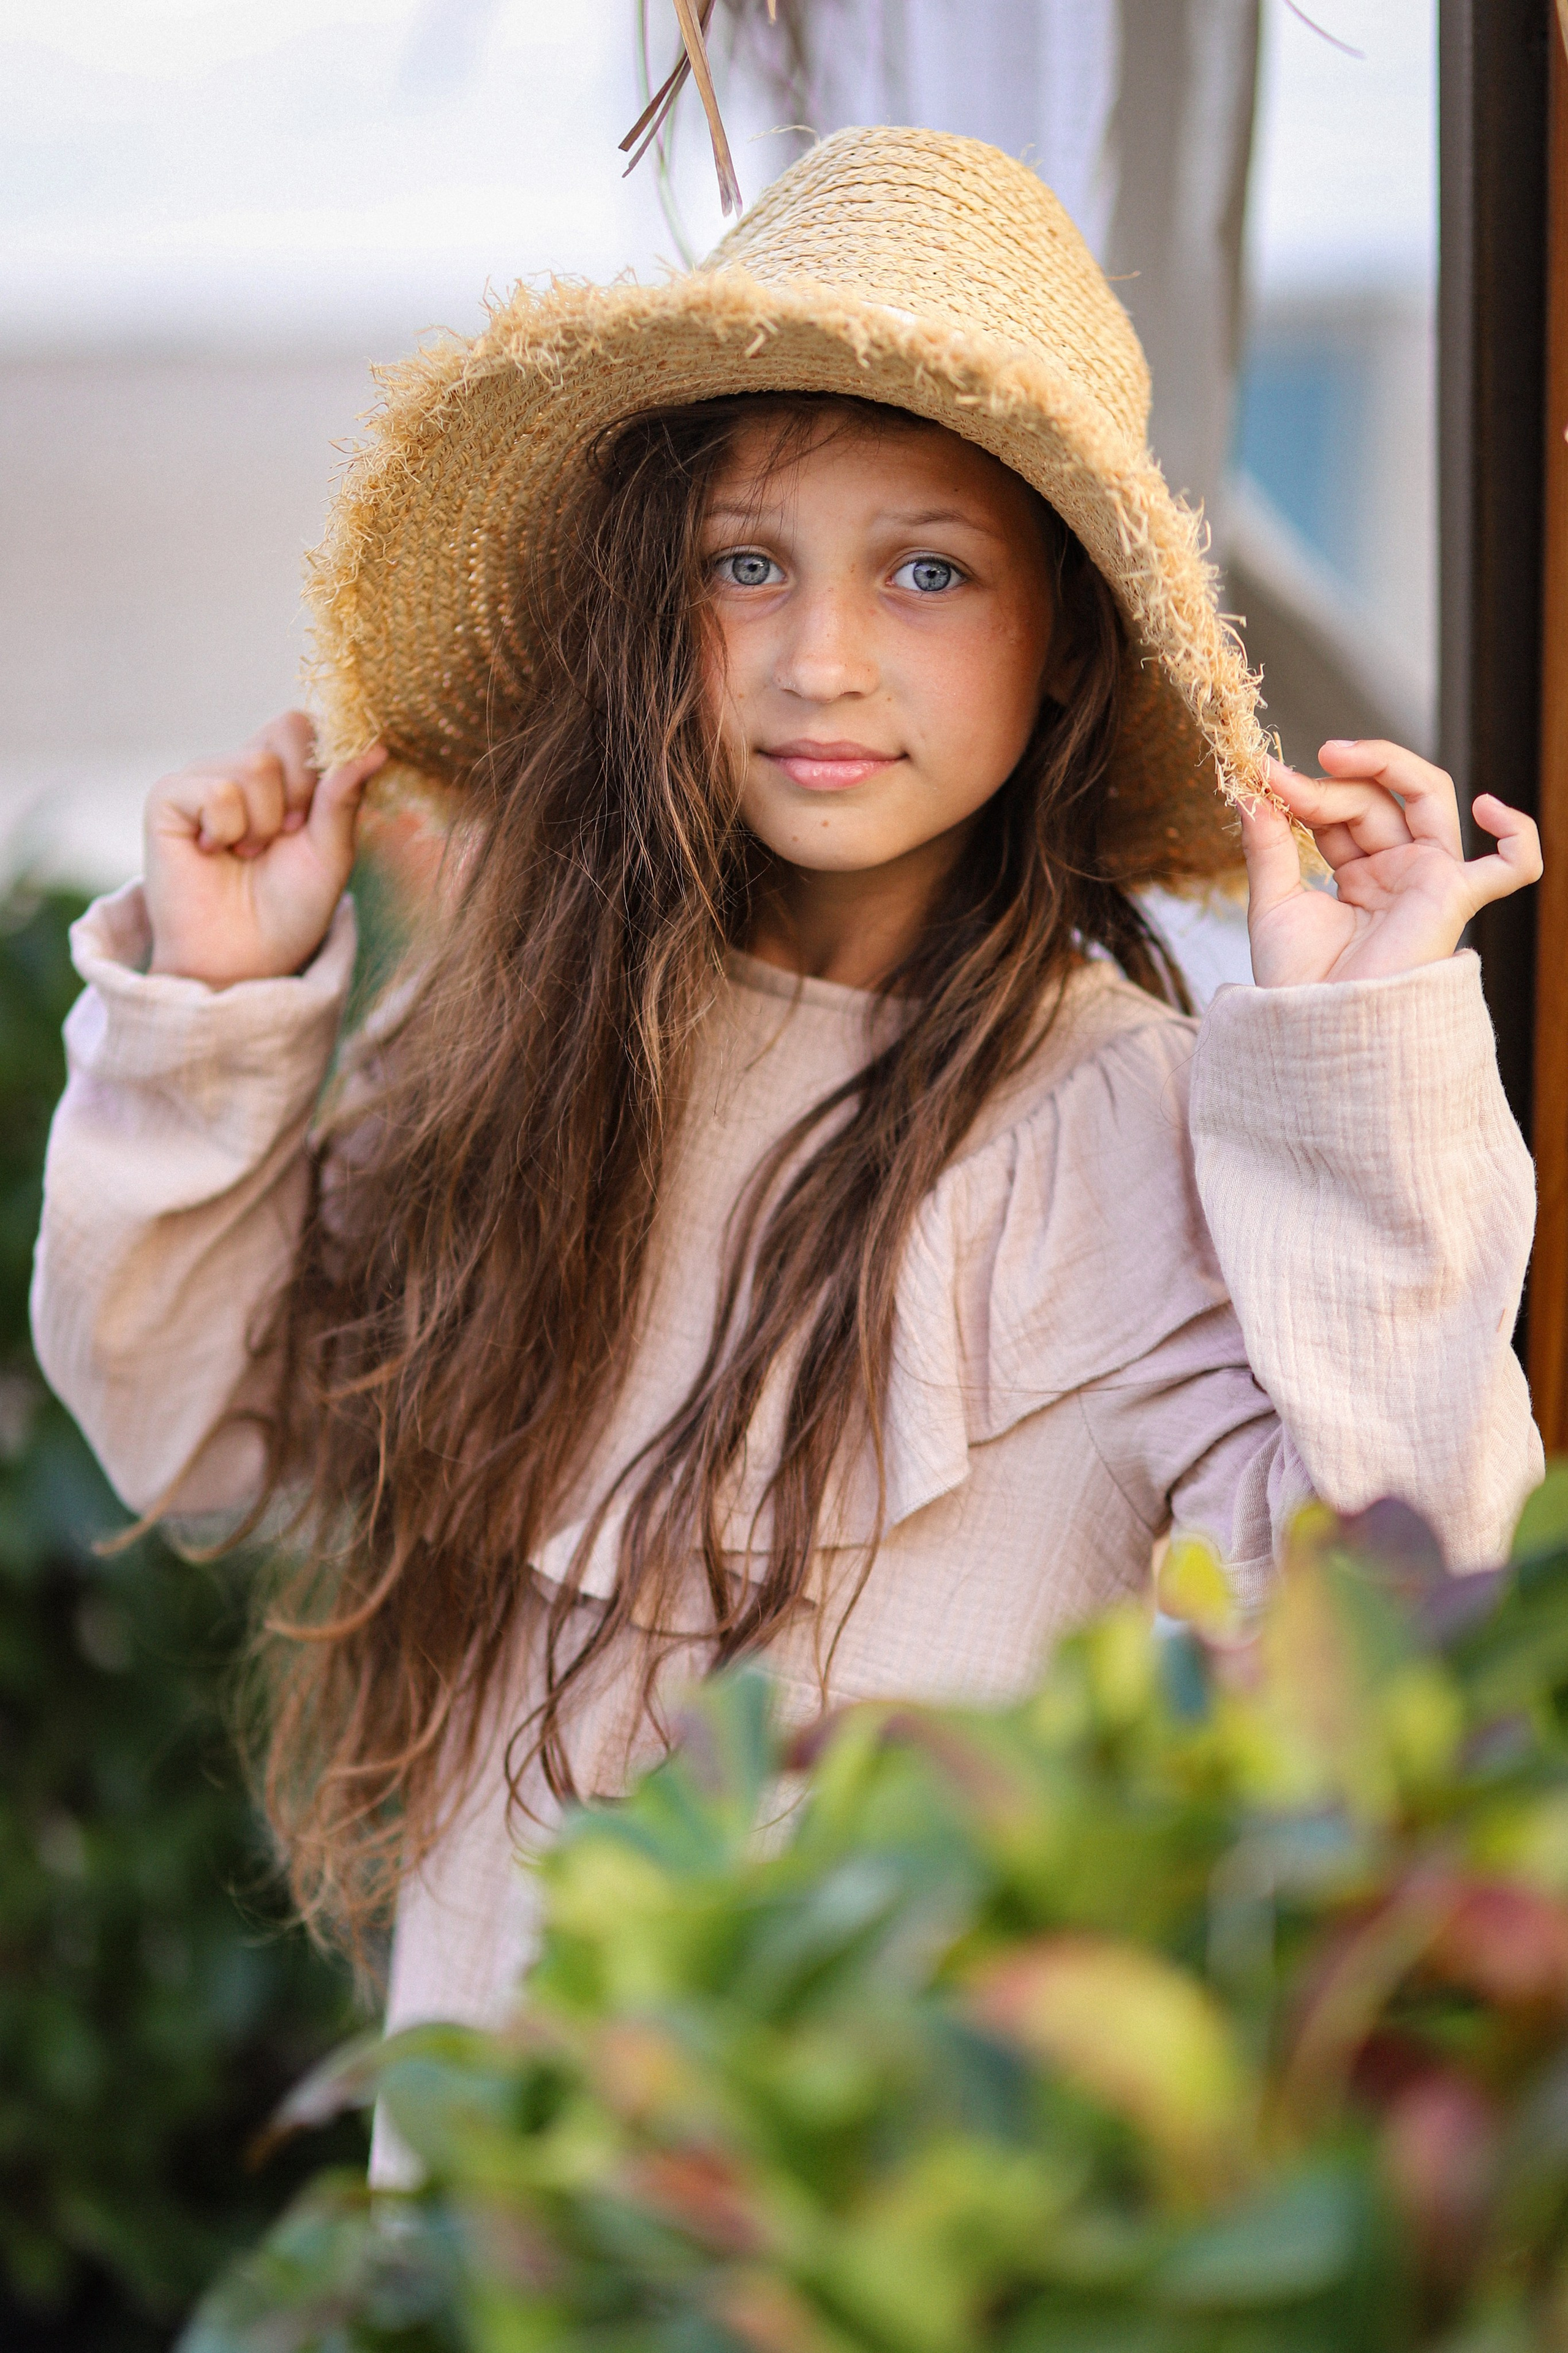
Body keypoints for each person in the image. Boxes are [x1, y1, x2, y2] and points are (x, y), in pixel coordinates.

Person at [31, 130, 1542, 2078]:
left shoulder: (1146, 1127)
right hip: (507, 2191)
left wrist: (1354, 1051)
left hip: (883, 2217)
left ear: (1065, 631)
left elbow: (1417, 1611)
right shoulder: (525, 1046)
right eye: (747, 564)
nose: (821, 661)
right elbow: (197, 1424)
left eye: (929, 569)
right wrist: (217, 1009)